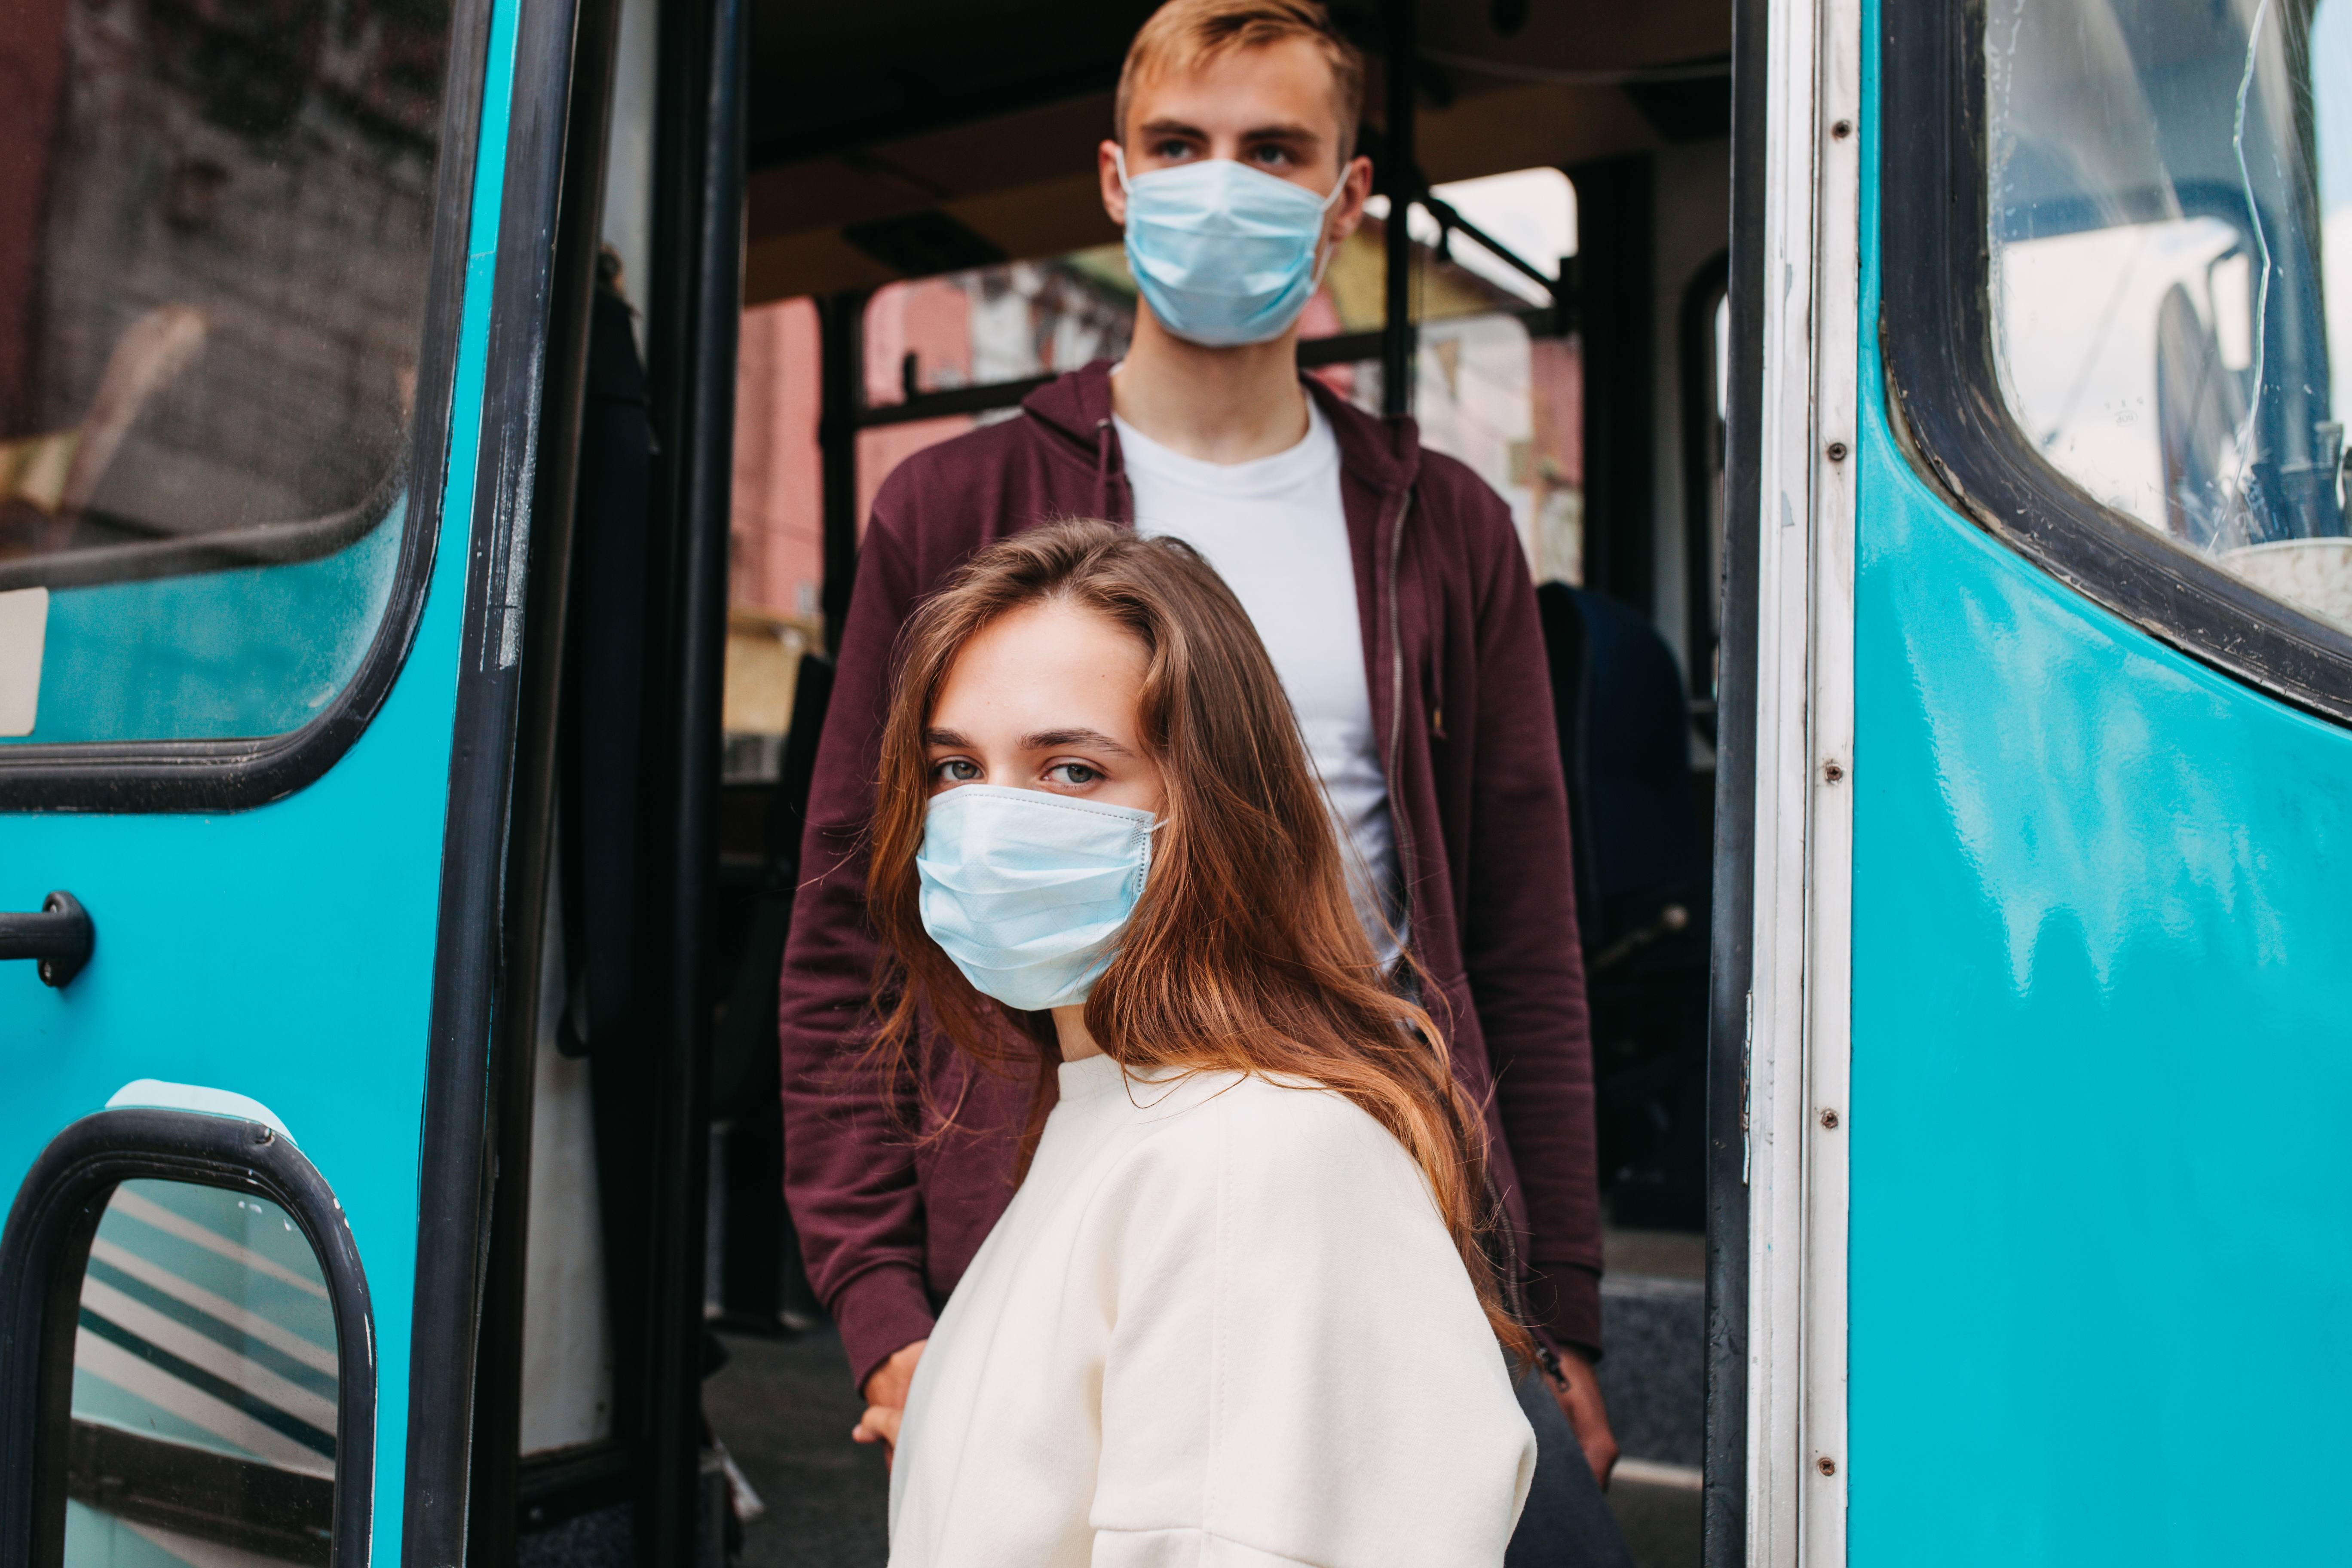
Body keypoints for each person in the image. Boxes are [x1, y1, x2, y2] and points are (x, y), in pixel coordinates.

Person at [779, 0, 1628, 1556]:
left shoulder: (1441, 527)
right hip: (1038, 1179)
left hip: (1384, 1169)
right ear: (1114, 179)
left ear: (1346, 199)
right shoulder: (958, 505)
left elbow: (1520, 934)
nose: (1218, 185)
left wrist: (1555, 1303)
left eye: (1272, 150)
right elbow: (856, 924)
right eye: (1180, 146)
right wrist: (884, 1300)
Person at [870, 521, 1537, 1564]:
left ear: (1217, 805)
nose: (988, 822)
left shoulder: (1257, 1158)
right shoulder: (1111, 1116)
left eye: (1073, 771)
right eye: (956, 767)